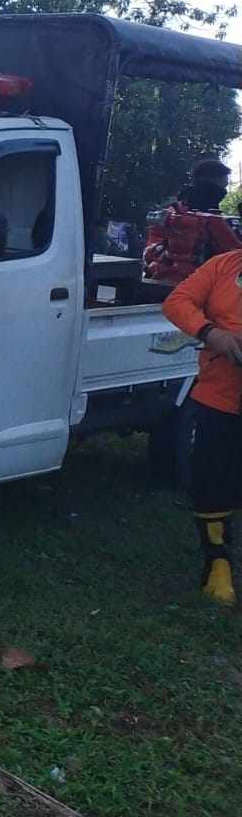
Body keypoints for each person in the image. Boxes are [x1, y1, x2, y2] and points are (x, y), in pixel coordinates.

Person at [163, 250, 242, 605]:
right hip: (219, 397)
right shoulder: (224, 265)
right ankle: (217, 566)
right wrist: (211, 333)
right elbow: (177, 301)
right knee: (210, 480)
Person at [144, 158, 241, 283]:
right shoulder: (210, 219)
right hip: (198, 287)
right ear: (210, 185)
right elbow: (235, 252)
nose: (224, 193)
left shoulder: (171, 212)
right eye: (222, 188)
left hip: (161, 279)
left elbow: (149, 252)